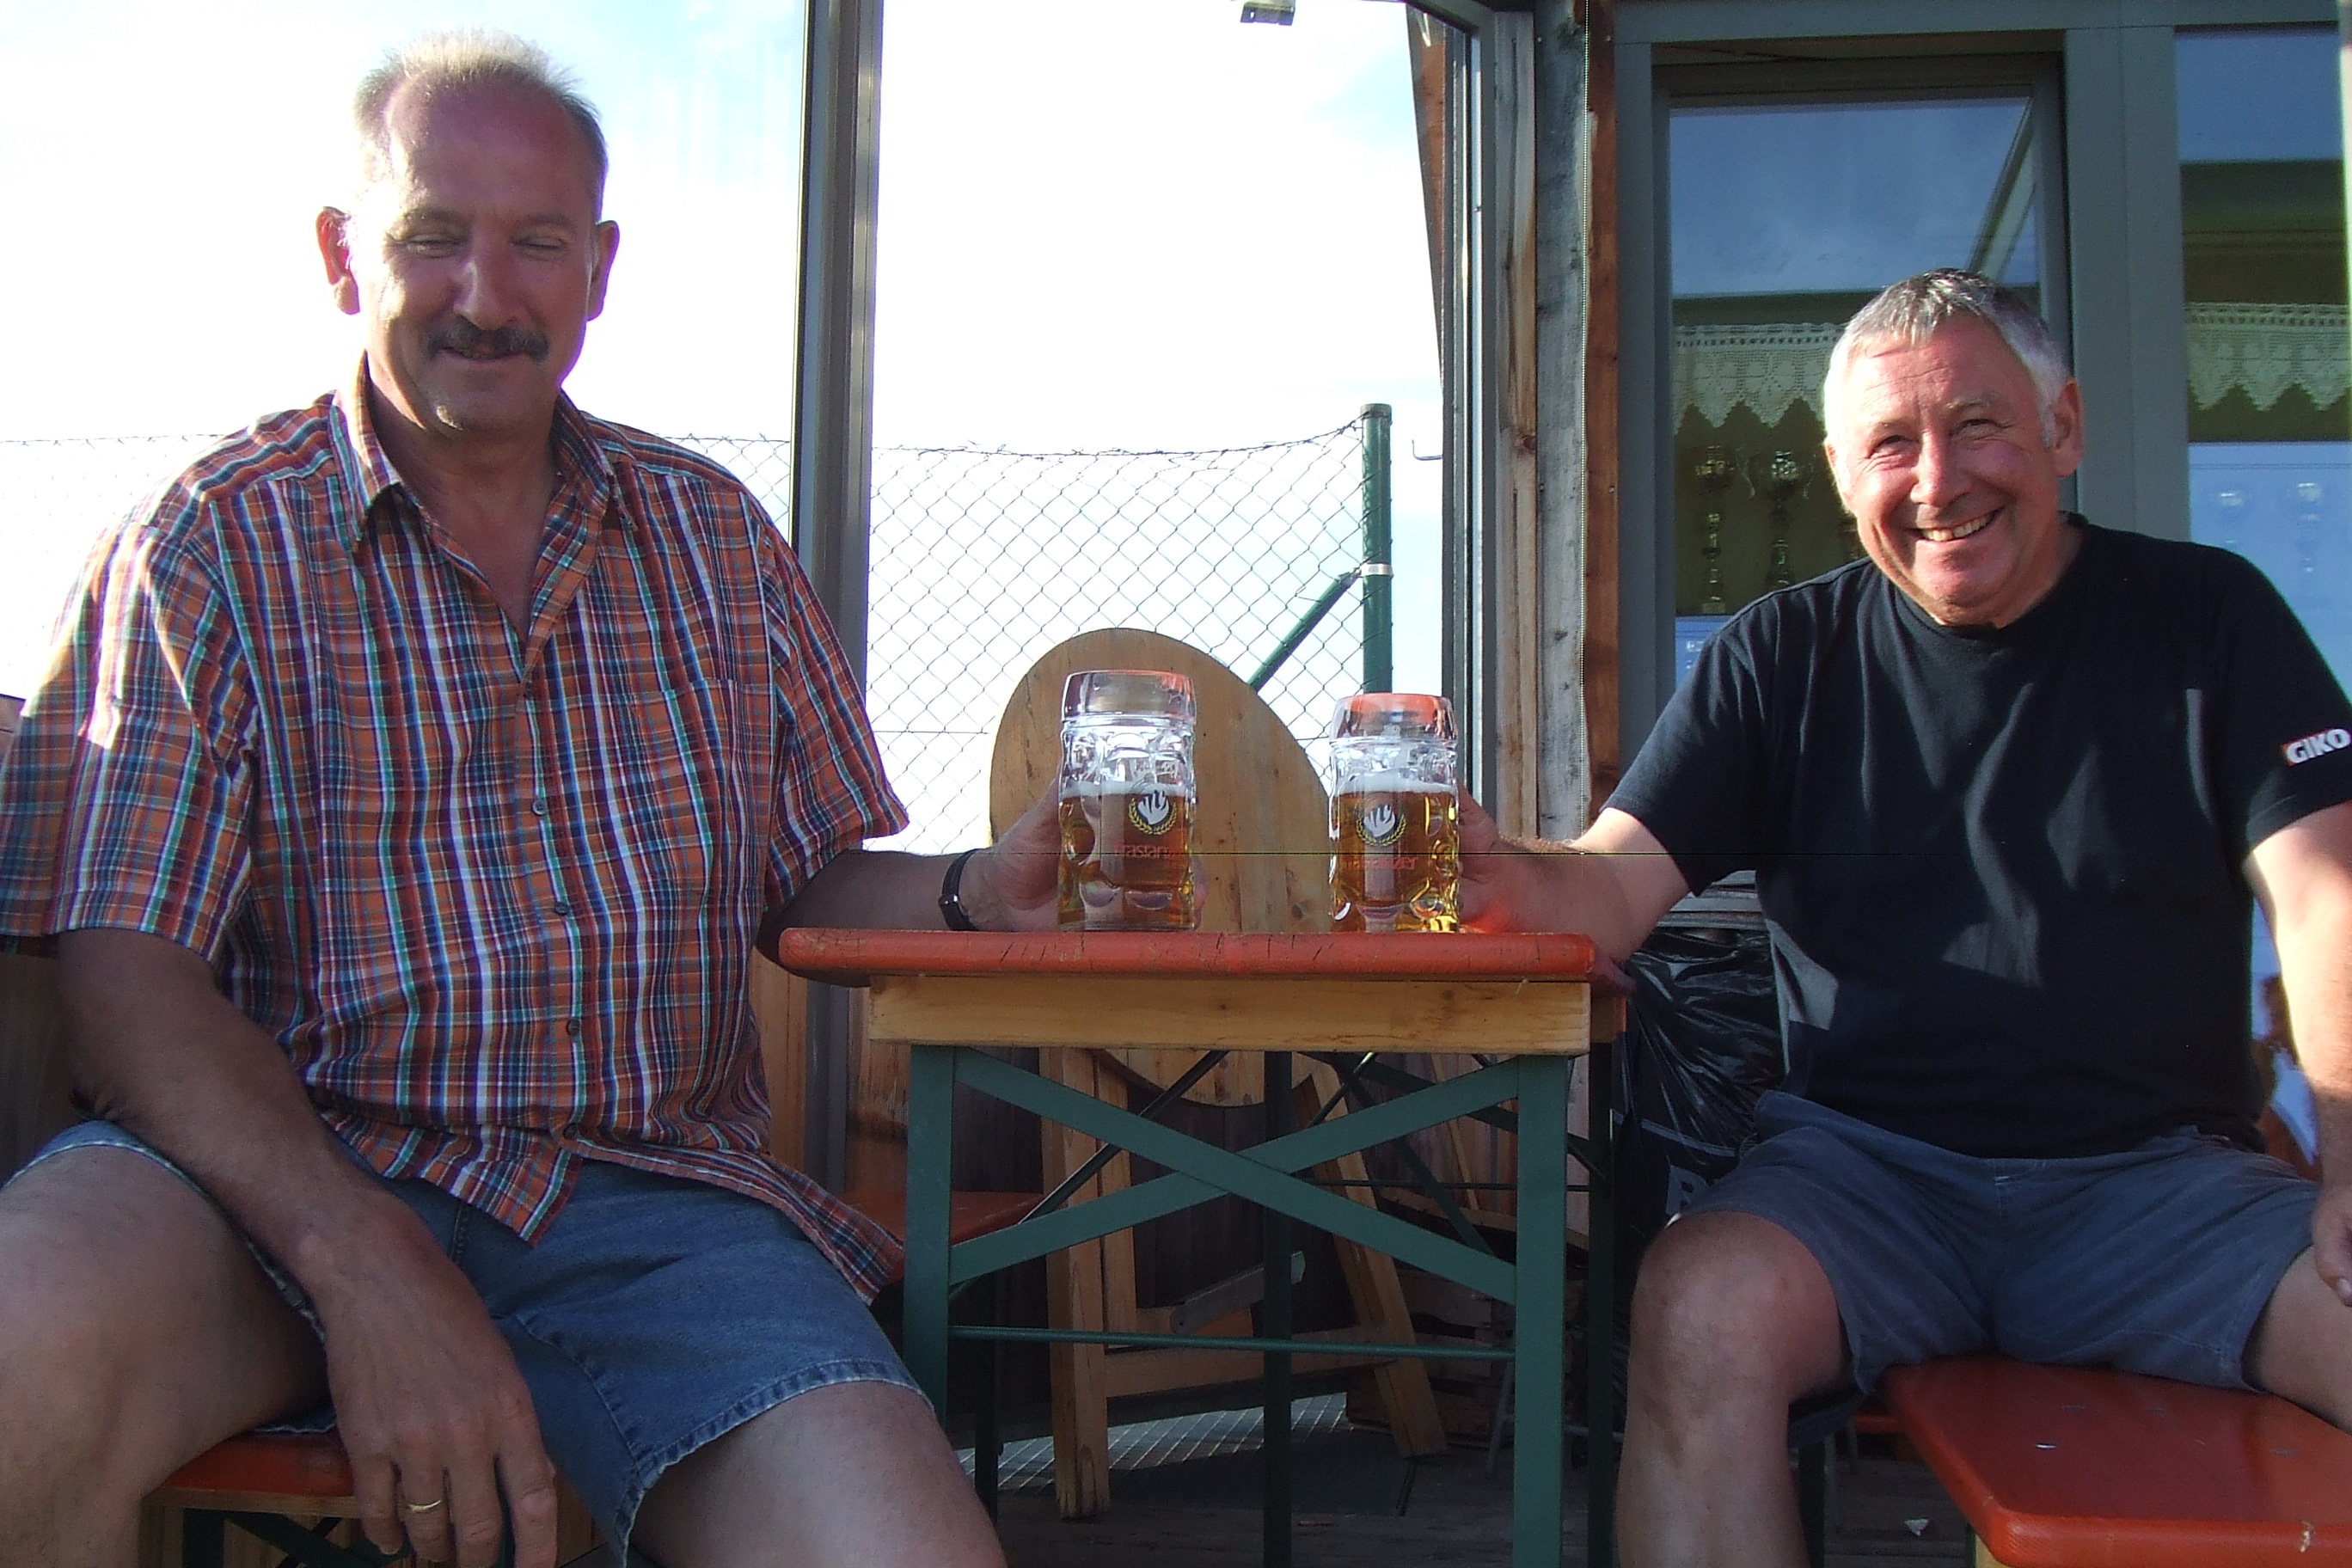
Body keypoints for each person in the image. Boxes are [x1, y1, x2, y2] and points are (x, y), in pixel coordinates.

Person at [0, 31, 1062, 1568]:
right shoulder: (207, 545)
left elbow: (804, 883)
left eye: (536, 244)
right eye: (434, 236)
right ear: (342, 254)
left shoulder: (712, 536)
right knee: (20, 1357)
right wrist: (364, 1259)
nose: (486, 295)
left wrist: (976, 890)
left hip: (653, 1209)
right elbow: (124, 972)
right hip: (262, 1186)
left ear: (599, 268)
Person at [1459, 269, 2352, 1567]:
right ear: (1840, 473)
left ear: (2063, 428)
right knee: (1698, 1304)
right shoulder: (1781, 656)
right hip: (1864, 1186)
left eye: (1979, 425)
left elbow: (2328, 894)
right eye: (1891, 444)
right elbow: (1609, 883)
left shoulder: (2212, 617)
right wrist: (1501, 877)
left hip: (2163, 1192)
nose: (1938, 480)